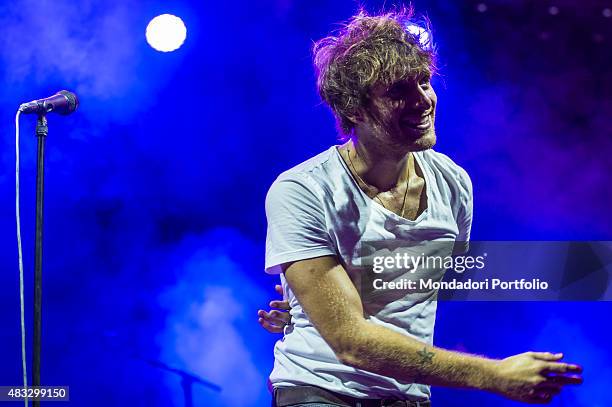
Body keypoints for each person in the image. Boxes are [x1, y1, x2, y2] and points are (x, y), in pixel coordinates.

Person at [259, 8, 582, 406]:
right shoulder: (302, 190)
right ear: (354, 109)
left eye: (425, 82)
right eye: (398, 90)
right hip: (320, 390)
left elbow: (427, 285)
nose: (423, 100)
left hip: (407, 396)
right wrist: (494, 375)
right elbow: (350, 342)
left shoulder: (453, 182)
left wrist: (311, 299)